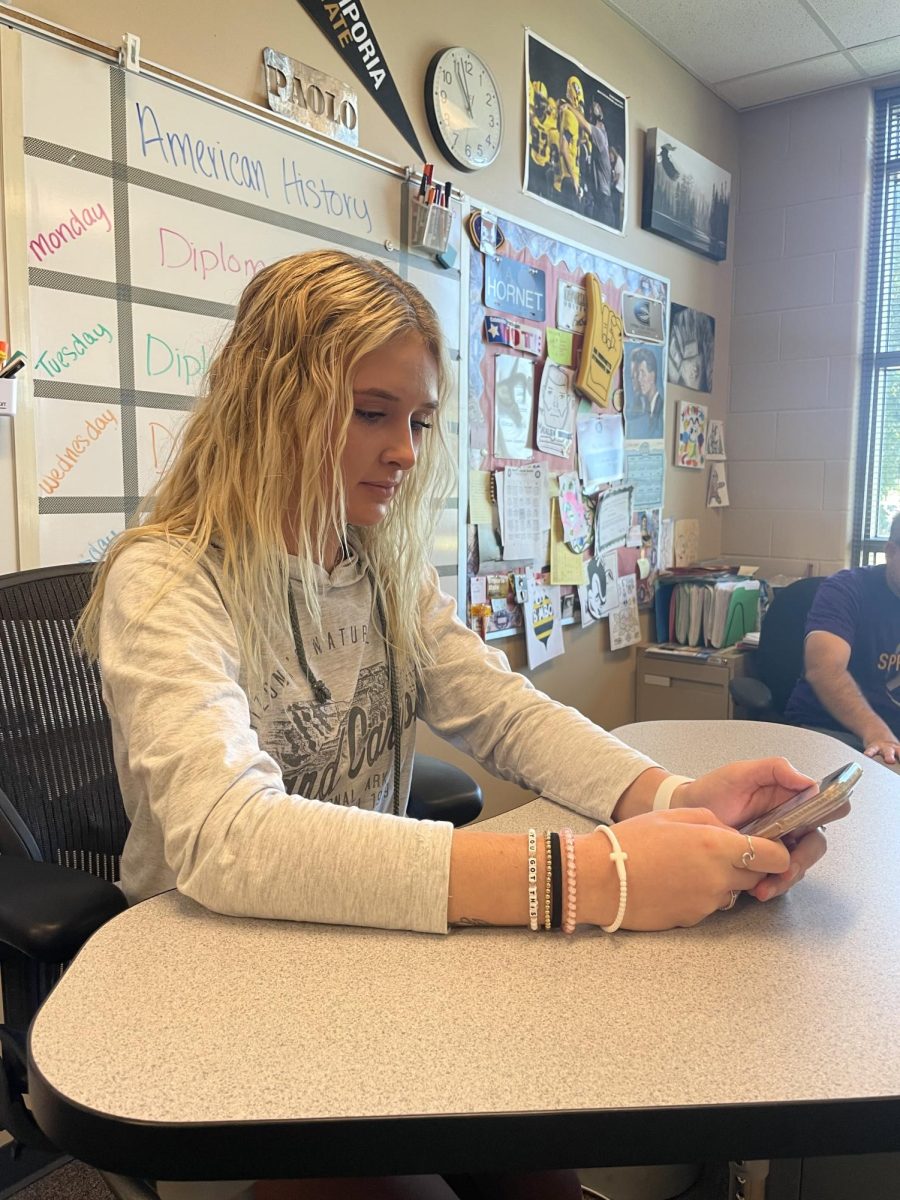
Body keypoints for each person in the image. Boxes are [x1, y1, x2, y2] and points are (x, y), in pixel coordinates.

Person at [80, 251, 835, 1200]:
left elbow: (506, 712)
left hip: (362, 964)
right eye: (371, 412)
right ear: (268, 401)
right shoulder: (166, 579)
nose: (404, 450)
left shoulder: (386, 572)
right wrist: (589, 876)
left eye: (420, 421)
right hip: (204, 1002)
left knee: (539, 1146)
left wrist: (676, 799)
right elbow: (227, 838)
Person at [785, 514, 900, 763]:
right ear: (891, 552)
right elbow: (824, 669)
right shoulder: (846, 589)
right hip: (830, 733)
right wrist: (877, 732)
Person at [560, 89, 613, 228]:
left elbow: (584, 124)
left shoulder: (600, 135)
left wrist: (570, 106)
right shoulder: (601, 139)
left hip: (604, 202)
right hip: (599, 201)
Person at [625, 347, 664, 440]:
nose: (639, 379)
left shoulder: (661, 407)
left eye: (643, 373)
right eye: (636, 375)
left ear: (652, 376)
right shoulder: (646, 408)